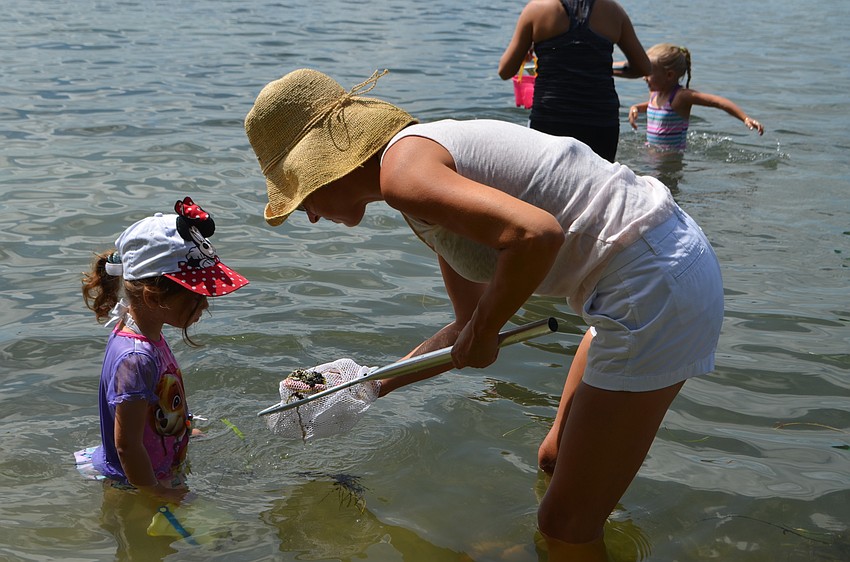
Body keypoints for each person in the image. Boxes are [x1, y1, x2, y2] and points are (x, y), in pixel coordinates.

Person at [244, 69, 723, 560]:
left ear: (328, 166)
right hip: (642, 274)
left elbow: (536, 235)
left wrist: (489, 329)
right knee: (553, 460)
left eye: (301, 194)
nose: (310, 214)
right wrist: (367, 385)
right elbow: (465, 327)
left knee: (564, 525)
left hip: (653, 285)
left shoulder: (405, 173)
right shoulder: (416, 185)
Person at [76, 196, 249, 503]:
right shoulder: (135, 358)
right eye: (197, 297)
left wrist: (181, 429)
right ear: (155, 298)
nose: (205, 305)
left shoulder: (143, 330)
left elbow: (152, 404)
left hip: (153, 464)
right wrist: (154, 491)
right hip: (136, 481)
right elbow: (127, 445)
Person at [498, 0, 652, 162]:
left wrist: (523, 54)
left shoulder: (537, 9)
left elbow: (505, 71)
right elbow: (644, 68)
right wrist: (601, 69)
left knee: (546, 185)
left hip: (551, 119)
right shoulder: (614, 12)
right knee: (597, 185)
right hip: (601, 123)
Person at [628, 43, 765, 151]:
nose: (644, 77)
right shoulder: (654, 94)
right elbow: (653, 107)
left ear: (669, 75)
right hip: (650, 152)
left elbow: (718, 102)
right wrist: (636, 108)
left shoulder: (681, 97)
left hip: (671, 161)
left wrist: (745, 118)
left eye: (648, 72)